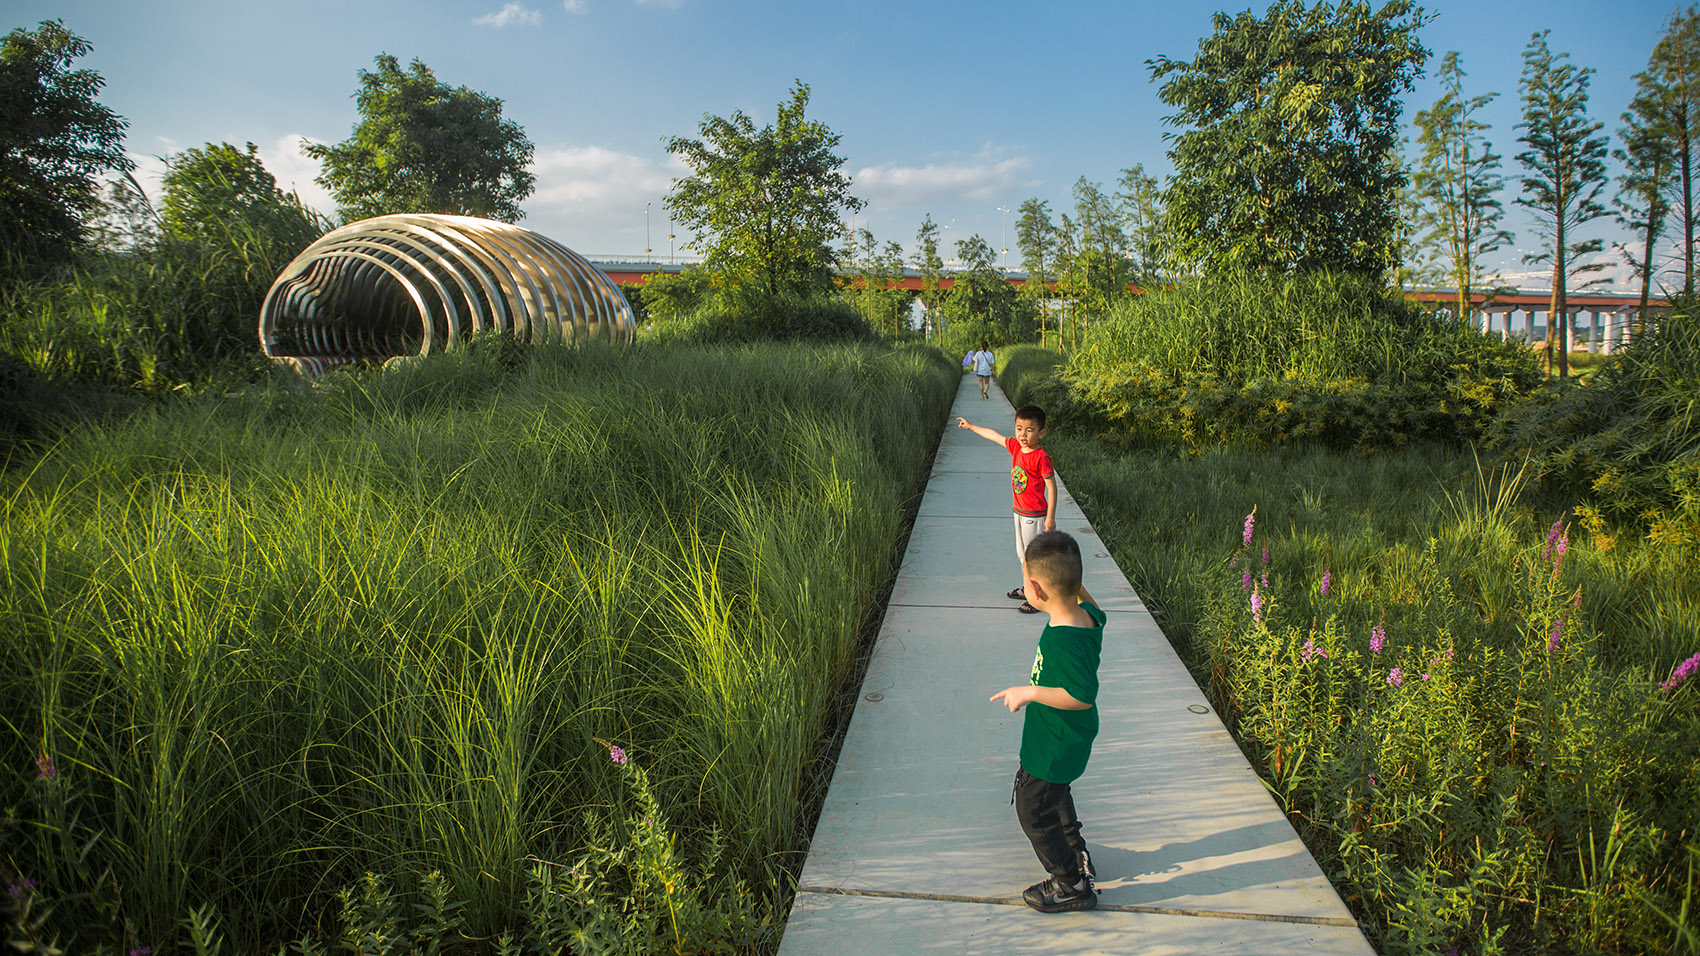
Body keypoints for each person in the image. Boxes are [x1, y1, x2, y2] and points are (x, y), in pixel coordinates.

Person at [991, 530, 1103, 913]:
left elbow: (1081, 695)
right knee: (1056, 793)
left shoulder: (1064, 640)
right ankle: (1075, 847)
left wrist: (1028, 692)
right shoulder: (1086, 615)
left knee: (1034, 810)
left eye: (1025, 583)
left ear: (1036, 591)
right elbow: (1084, 597)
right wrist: (1069, 580)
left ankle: (1071, 884)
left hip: (1054, 742)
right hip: (1065, 738)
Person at [955, 405, 1055, 613]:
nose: (1023, 434)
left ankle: (1038, 596)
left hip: (1034, 514)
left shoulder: (1041, 457)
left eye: (1029, 430)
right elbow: (994, 435)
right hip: (1018, 511)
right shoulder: (1016, 447)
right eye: (1019, 428)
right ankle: (1028, 588)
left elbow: (1052, 487)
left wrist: (1050, 518)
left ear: (1041, 433)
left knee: (1032, 557)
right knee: (1022, 554)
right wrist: (971, 427)